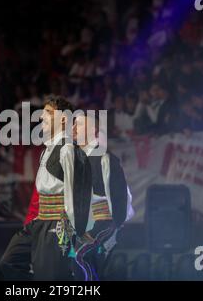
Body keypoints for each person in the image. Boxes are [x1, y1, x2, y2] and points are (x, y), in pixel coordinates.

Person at [0, 96, 94, 281]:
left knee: (50, 276)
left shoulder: (68, 149)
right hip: (39, 220)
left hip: (57, 223)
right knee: (9, 262)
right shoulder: (47, 150)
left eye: (48, 113)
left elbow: (78, 191)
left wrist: (78, 229)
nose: (42, 117)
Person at [72, 111, 134, 280]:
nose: (74, 128)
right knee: (77, 262)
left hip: (103, 223)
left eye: (79, 124)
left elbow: (120, 195)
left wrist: (114, 224)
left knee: (80, 257)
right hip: (84, 224)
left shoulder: (104, 158)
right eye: (74, 124)